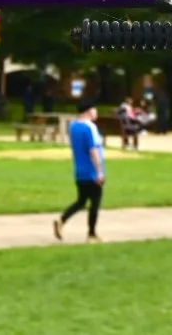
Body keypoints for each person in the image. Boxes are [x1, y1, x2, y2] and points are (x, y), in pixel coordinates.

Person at [53, 100, 105, 243]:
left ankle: (62, 220)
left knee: (81, 201)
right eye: (95, 110)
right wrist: (99, 171)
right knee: (95, 202)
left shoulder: (74, 126)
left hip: (79, 169)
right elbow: (93, 149)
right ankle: (92, 233)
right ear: (89, 111)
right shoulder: (90, 128)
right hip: (91, 170)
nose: (96, 113)